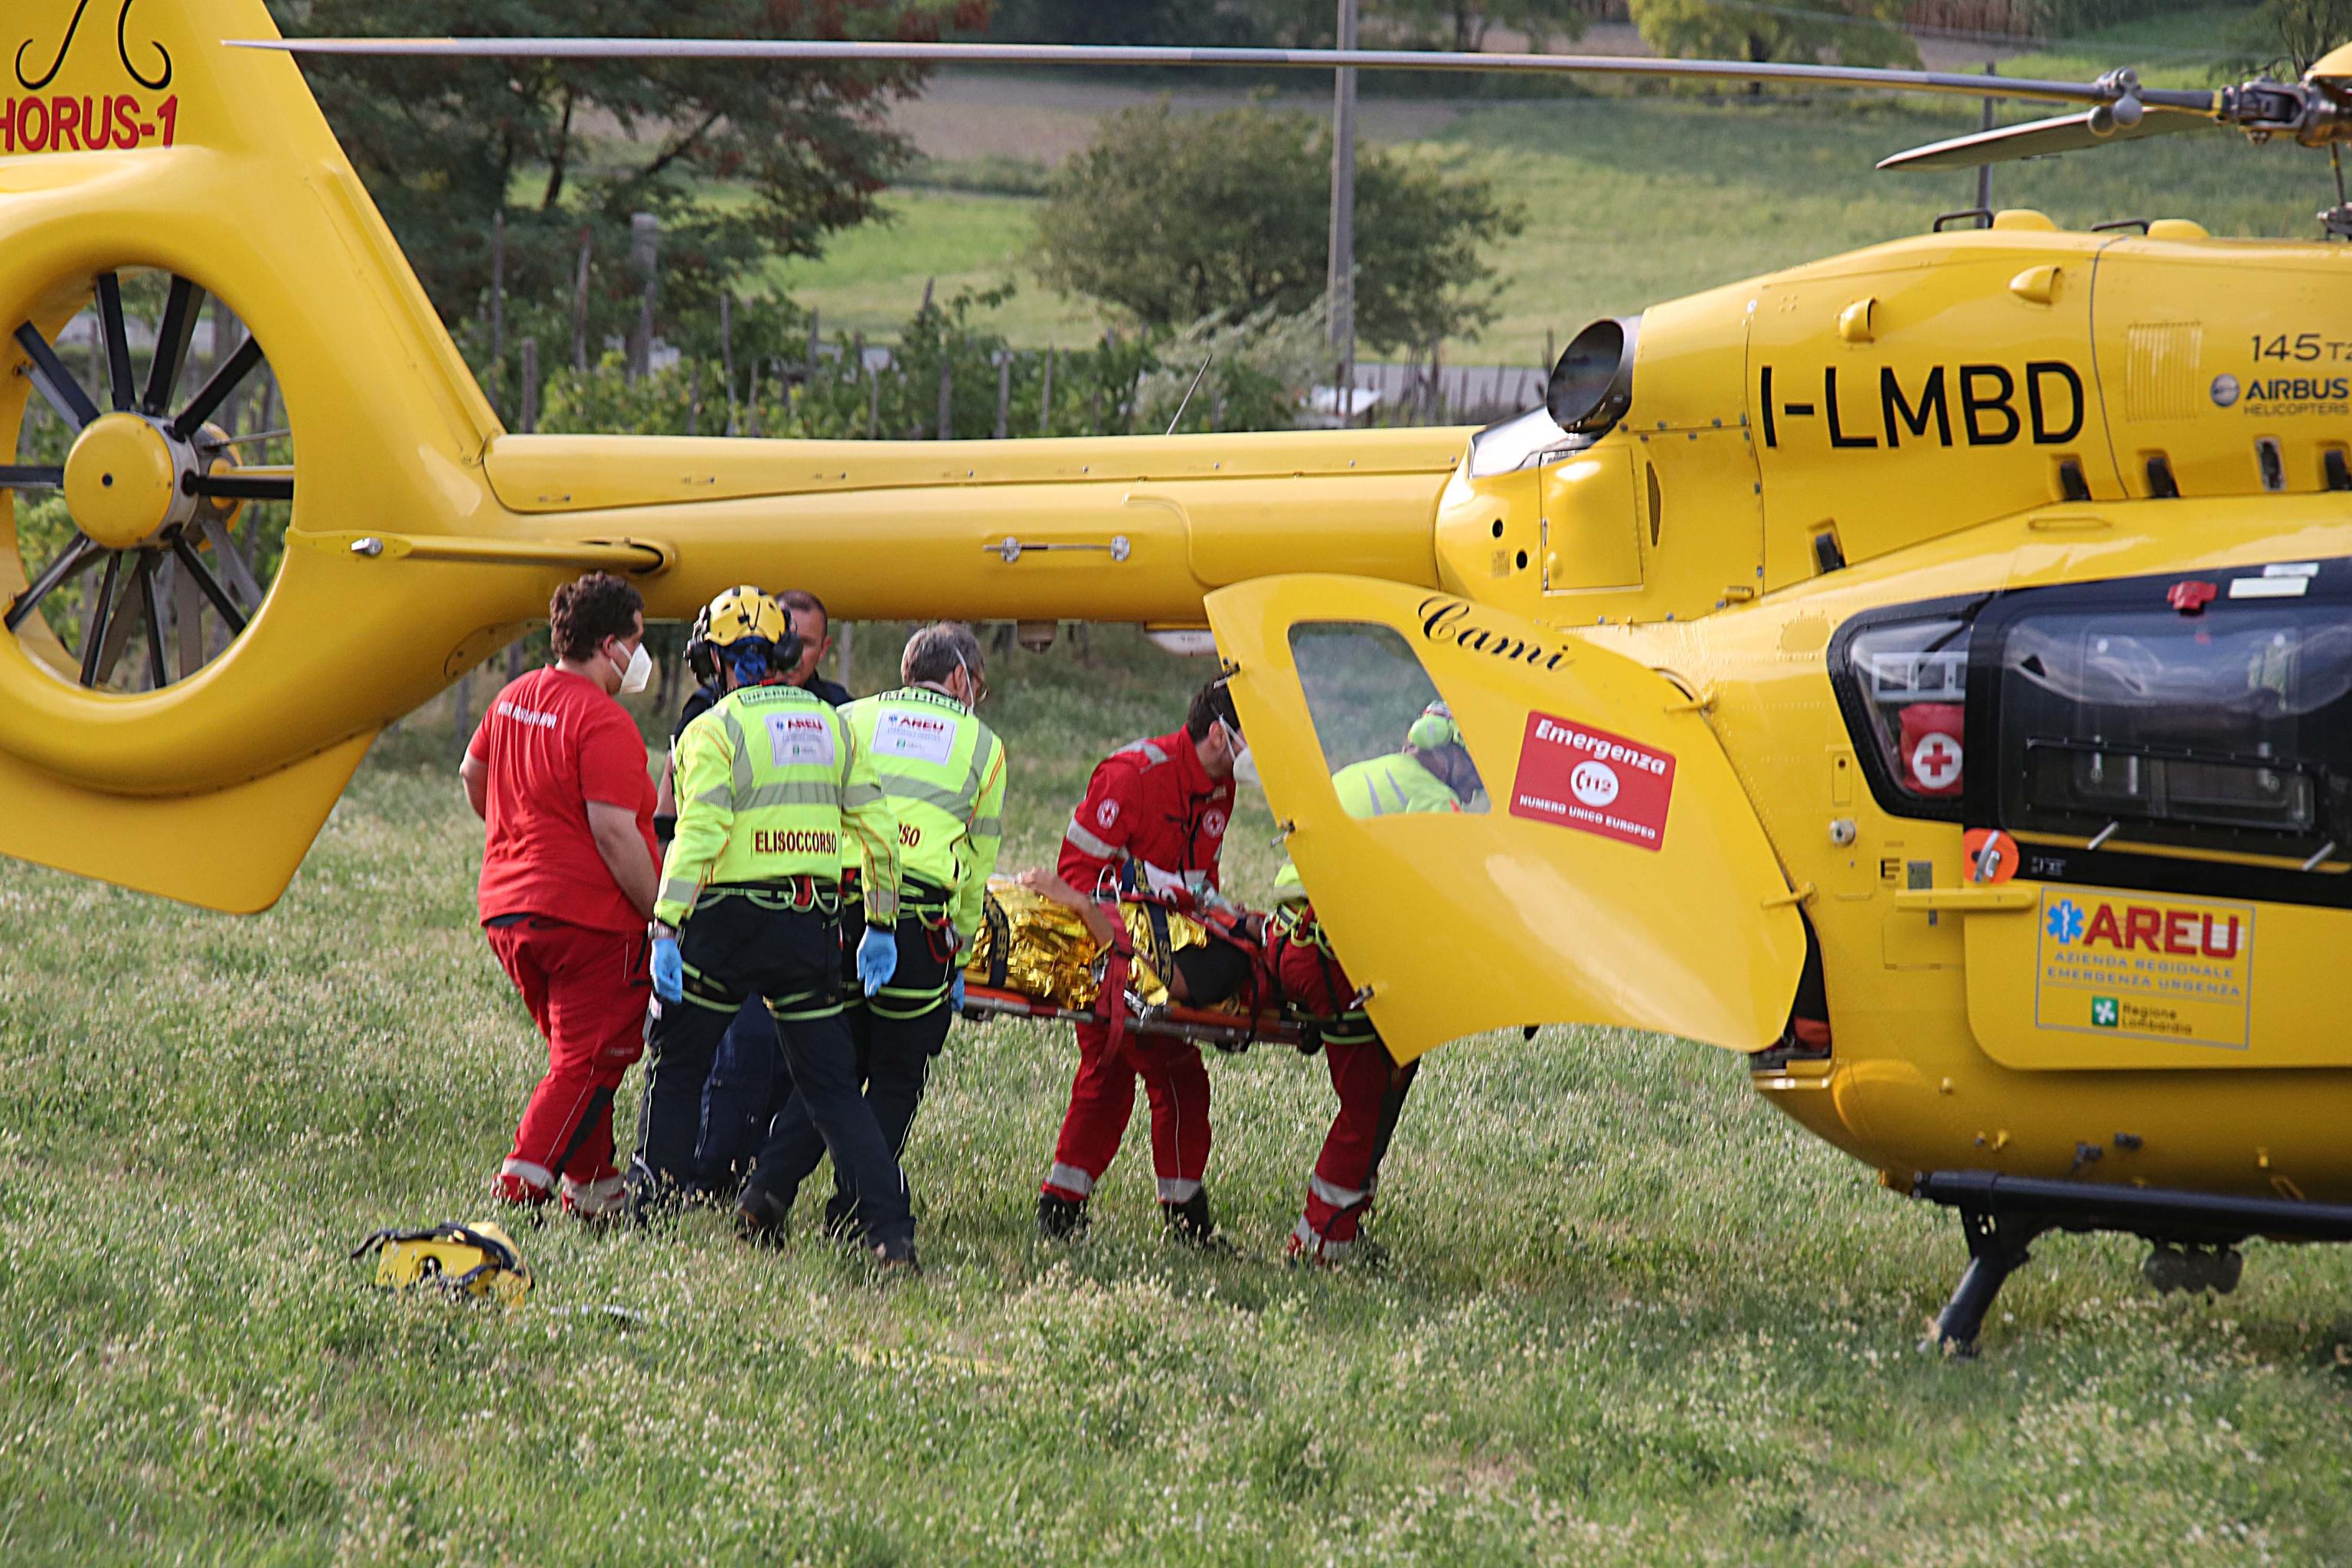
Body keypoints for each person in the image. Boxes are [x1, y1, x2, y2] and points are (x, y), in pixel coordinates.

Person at [629, 588, 920, 1267]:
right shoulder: (832, 723)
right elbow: (877, 832)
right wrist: (880, 924)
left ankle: (653, 1215)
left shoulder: (713, 729)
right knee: (833, 1090)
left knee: (677, 1068)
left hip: (724, 926)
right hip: (807, 927)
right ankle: (890, 1235)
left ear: (712, 661)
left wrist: (666, 927)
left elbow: (697, 834)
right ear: (785, 654)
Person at [738, 622, 1006, 1242]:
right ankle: (858, 1214)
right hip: (919, 925)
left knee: (831, 1070)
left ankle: (767, 1191)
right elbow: (977, 862)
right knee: (895, 1075)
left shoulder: (850, 717)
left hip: (838, 912)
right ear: (962, 679)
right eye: (979, 688)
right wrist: (961, 949)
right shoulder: (982, 746)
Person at [459, 571, 660, 1221]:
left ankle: (596, 1190)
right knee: (591, 1060)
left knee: (575, 1058)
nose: (641, 653)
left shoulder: (514, 697)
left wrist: (516, 835)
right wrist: (662, 912)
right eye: (636, 638)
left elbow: (473, 772)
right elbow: (613, 830)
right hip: (589, 923)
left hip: (509, 911)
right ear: (611, 645)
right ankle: (518, 1190)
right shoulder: (603, 721)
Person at [1036, 678, 1253, 1245]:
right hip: (1113, 956)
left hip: (1163, 951)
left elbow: (1199, 884)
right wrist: (1122, 957)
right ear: (1217, 736)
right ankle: (1184, 1220)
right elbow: (1076, 878)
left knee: (1109, 1080)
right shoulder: (1132, 776)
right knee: (1175, 1080)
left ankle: (1061, 1206)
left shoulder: (1219, 789)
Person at [1272, 701, 1481, 1263]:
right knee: (1368, 1099)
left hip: (1290, 941)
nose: (1477, 777)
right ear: (1447, 754)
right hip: (1332, 957)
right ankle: (1320, 1242)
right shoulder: (1436, 803)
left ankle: (1344, 1221)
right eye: (1472, 760)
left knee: (1394, 1069)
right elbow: (1449, 905)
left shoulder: (1364, 771)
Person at [779, 588, 852, 707]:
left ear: (823, 649)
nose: (792, 653)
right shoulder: (739, 701)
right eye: (784, 640)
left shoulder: (840, 707)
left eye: (805, 643)